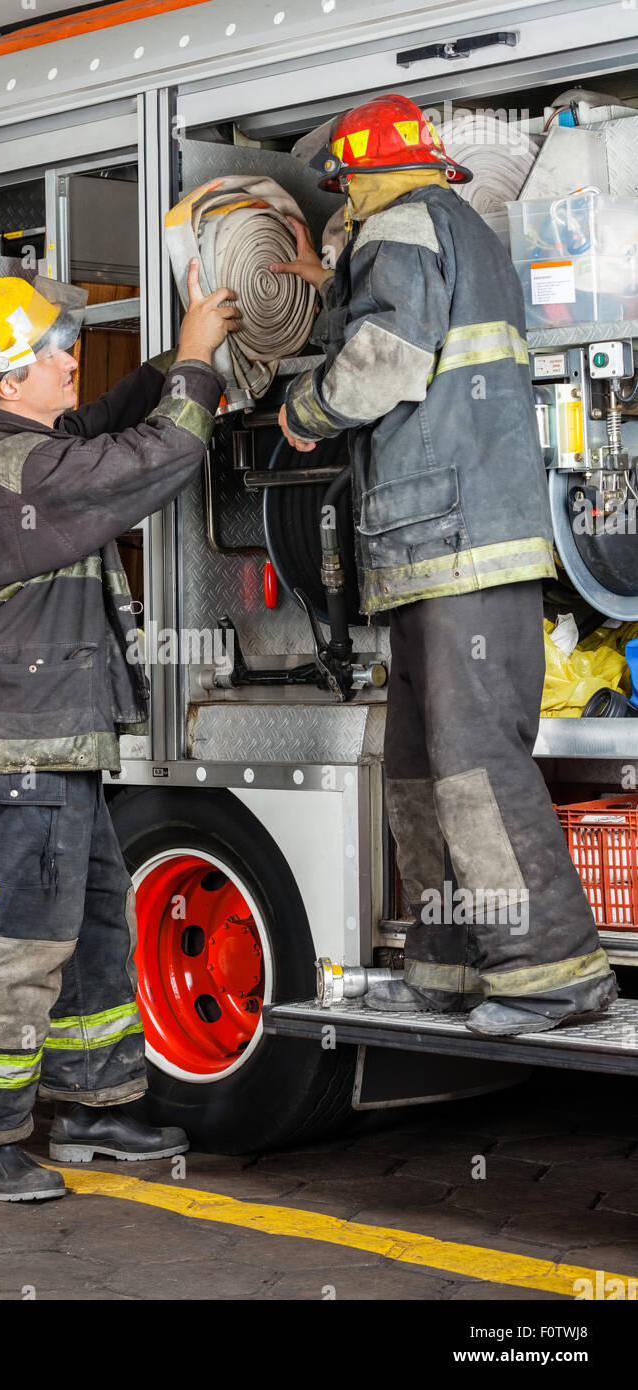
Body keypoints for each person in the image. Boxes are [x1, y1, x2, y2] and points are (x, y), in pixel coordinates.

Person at [271, 92, 617, 1037]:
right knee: (420, 765)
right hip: (437, 545)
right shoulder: (439, 227)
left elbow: (382, 358)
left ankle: (548, 971)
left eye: (342, 189)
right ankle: (450, 962)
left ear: (361, 178)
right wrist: (334, 270)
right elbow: (401, 313)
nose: (340, 204)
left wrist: (301, 411)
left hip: (457, 541)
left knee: (470, 765)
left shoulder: (405, 227)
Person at [0, 261, 238, 1199]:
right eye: (54, 351)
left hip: (51, 737)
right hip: (15, 742)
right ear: (5, 380)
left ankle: (95, 1108)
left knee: (94, 926)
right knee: (11, 940)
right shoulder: (13, 462)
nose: (70, 363)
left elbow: (98, 430)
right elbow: (152, 460)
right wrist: (192, 368)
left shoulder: (20, 442)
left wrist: (174, 359)